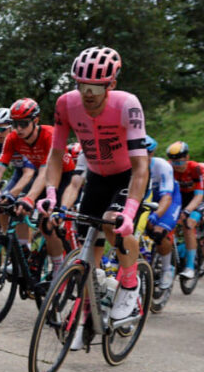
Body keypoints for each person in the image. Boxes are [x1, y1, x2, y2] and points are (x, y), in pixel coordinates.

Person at [38, 46, 149, 328]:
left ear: (111, 84)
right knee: (88, 238)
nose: (87, 93)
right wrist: (51, 193)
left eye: (96, 88)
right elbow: (55, 153)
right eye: (81, 85)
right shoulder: (66, 103)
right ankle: (94, 297)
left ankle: (129, 283)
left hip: (126, 176)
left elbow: (140, 168)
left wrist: (131, 210)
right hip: (97, 177)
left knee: (113, 223)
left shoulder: (127, 104)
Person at [0, 98, 54, 253]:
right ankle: (10, 243)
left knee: (22, 207)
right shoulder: (4, 140)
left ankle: (25, 248)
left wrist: (18, 195)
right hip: (22, 173)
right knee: (3, 207)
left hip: (37, 173)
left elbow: (29, 173)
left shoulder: (28, 137)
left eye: (2, 129)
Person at [141, 137, 182, 288]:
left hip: (168, 199)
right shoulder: (128, 165)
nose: (144, 156)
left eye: (148, 153)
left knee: (159, 231)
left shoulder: (162, 166)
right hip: (145, 197)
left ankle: (166, 269)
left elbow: (167, 197)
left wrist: (156, 215)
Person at [165, 141, 204, 279]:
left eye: (180, 163)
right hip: (178, 198)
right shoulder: (168, 167)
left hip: (195, 199)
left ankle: (190, 266)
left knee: (188, 225)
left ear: (187, 158)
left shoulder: (195, 168)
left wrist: (187, 211)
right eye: (174, 163)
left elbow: (199, 195)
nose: (177, 167)